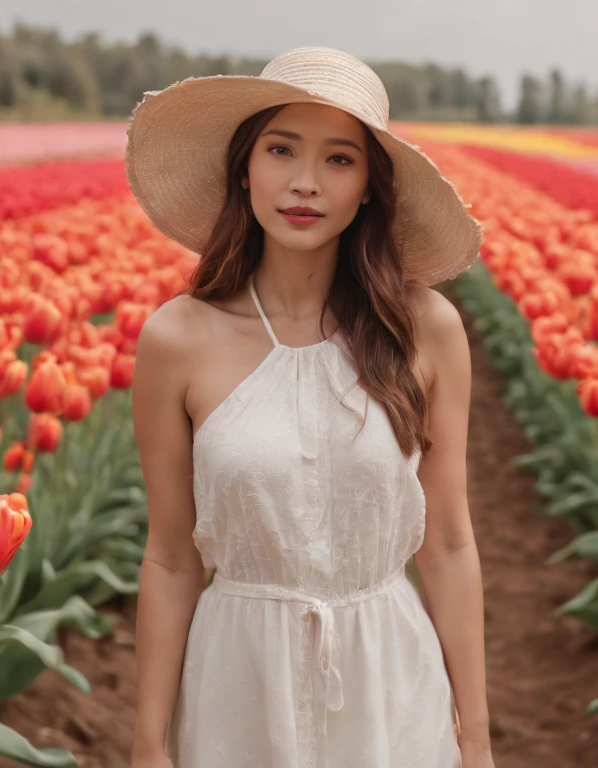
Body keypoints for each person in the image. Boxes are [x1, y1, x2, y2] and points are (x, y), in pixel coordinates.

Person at [125, 46, 492, 768]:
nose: (303, 183)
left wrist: (476, 740)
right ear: (245, 167)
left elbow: (448, 545)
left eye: (338, 160)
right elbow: (170, 559)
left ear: (368, 189)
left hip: (387, 671)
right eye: (281, 149)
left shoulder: (426, 332)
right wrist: (148, 744)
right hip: (238, 679)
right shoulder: (178, 339)